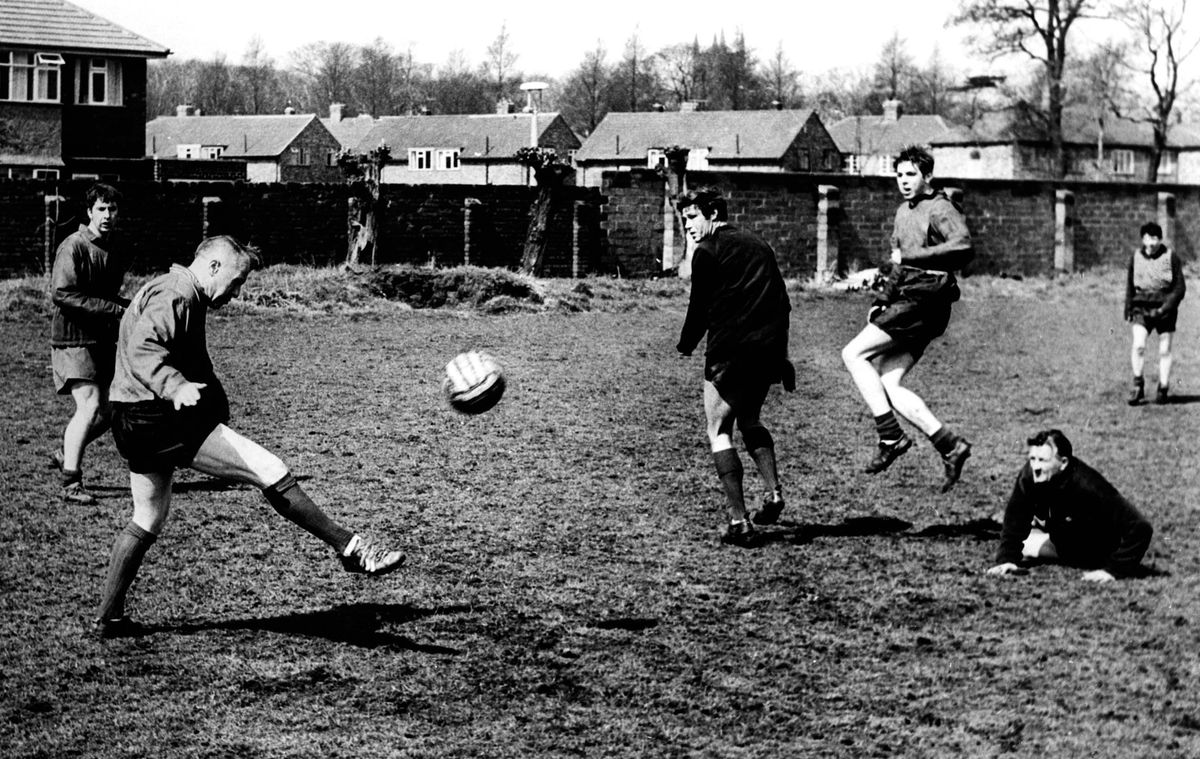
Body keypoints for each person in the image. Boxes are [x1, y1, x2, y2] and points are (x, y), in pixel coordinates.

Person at [93, 235, 403, 639]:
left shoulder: (173, 288)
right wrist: (174, 386)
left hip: (132, 418)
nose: (237, 292)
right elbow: (144, 347)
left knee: (147, 517)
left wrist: (207, 398)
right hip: (157, 416)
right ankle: (352, 548)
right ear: (214, 266)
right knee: (268, 469)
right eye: (236, 281)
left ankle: (109, 617)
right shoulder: (177, 292)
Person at [841, 145, 973, 493]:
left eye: (911, 174)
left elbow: (964, 246)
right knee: (889, 381)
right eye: (899, 175)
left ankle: (890, 437)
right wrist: (882, 299)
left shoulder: (940, 207)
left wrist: (915, 256)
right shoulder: (903, 211)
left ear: (928, 175)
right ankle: (950, 445)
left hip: (927, 298)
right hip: (910, 297)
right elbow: (900, 264)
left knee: (853, 354)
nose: (903, 180)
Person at [676, 186, 794, 547]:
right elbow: (783, 301)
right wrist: (781, 353)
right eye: (684, 220)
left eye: (692, 217)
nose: (688, 226)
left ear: (713, 214)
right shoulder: (759, 244)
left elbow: (699, 309)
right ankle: (773, 492)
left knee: (719, 430)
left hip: (730, 353)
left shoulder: (707, 251)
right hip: (767, 350)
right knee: (750, 419)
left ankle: (739, 521)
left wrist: (685, 344)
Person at [49, 183, 129, 504]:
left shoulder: (113, 248)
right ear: (89, 212)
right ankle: (71, 483)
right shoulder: (74, 246)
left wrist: (133, 306)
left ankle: (67, 451)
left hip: (101, 338)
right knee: (90, 405)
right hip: (73, 338)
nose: (107, 215)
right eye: (101, 209)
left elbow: (107, 297)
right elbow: (62, 293)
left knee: (110, 410)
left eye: (112, 209)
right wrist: (114, 309)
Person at [987, 429, 1153, 583]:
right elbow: (1015, 517)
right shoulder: (1030, 475)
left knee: (1030, 545)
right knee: (1022, 532)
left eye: (1043, 460)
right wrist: (1007, 560)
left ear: (1064, 462)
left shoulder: (1088, 486)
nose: (1036, 466)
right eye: (1032, 459)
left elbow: (1140, 527)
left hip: (1095, 547)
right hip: (1062, 530)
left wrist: (1113, 570)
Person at [1124, 221, 1186, 405]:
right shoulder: (1136, 257)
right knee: (1138, 345)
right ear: (1142, 240)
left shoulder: (1171, 257)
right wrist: (1128, 307)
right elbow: (1130, 285)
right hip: (1141, 307)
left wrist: (1166, 307)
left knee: (1165, 349)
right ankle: (1138, 386)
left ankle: (1163, 388)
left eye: (1154, 239)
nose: (1151, 243)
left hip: (1165, 309)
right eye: (1147, 239)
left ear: (1160, 239)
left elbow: (1180, 288)